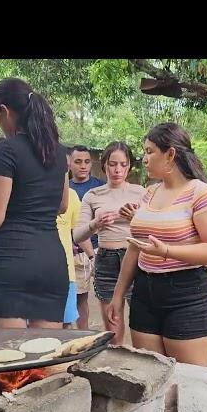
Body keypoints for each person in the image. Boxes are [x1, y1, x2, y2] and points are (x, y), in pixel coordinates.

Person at [107, 123, 207, 366]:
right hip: (144, 294)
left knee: (189, 383)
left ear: (170, 154)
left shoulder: (201, 193)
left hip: (186, 295)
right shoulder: (149, 193)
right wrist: (118, 296)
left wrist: (167, 251)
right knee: (152, 377)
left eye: (150, 151)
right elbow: (135, 245)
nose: (144, 158)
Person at [0, 78, 69, 329]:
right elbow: (62, 205)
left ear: (5, 110)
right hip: (51, 260)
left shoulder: (7, 150)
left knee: (12, 356)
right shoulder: (57, 152)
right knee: (45, 356)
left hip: (12, 260)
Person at [73, 142, 145, 343]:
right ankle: (116, 369)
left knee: (141, 324)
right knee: (113, 329)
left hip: (136, 259)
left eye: (123, 164)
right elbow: (78, 234)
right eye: (113, 164)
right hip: (106, 260)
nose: (117, 170)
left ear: (129, 166)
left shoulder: (141, 193)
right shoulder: (93, 195)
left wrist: (135, 219)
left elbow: (155, 230)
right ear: (104, 165)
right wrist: (95, 223)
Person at [68, 145, 105, 329]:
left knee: (102, 296)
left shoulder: (100, 187)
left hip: (97, 250)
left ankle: (91, 337)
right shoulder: (64, 189)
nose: (83, 166)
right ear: (69, 163)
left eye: (87, 162)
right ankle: (76, 338)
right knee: (75, 298)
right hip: (72, 252)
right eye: (78, 162)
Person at [56, 187, 93, 328]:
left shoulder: (70, 194)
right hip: (31, 273)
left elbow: (79, 232)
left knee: (65, 325)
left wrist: (92, 256)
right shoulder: (26, 188)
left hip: (66, 274)